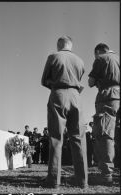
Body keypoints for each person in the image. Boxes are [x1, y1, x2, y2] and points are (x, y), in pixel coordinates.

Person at [41, 36, 88, 188]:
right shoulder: (80, 61)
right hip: (76, 97)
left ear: (58, 45)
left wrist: (55, 84)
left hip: (58, 95)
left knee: (56, 137)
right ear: (71, 45)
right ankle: (82, 181)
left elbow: (44, 80)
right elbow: (79, 79)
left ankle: (54, 180)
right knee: (78, 139)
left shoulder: (53, 56)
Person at [88, 43, 120, 184]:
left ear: (98, 52)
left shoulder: (101, 58)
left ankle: (106, 174)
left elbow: (90, 82)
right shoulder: (118, 58)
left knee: (105, 134)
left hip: (107, 97)